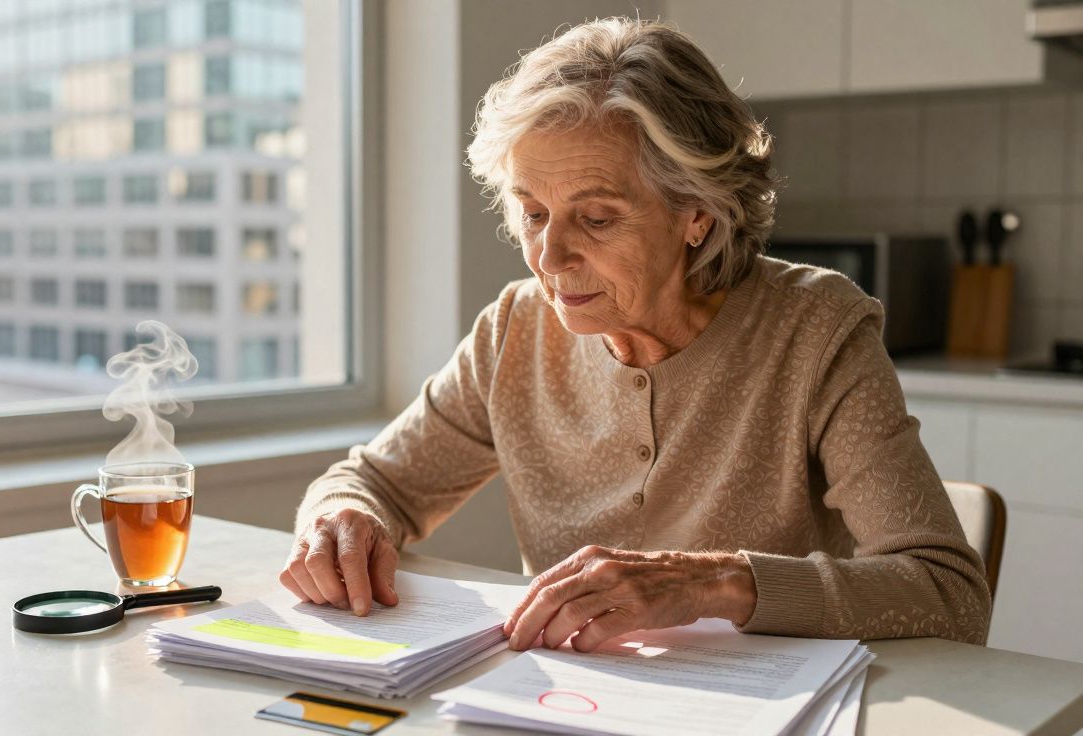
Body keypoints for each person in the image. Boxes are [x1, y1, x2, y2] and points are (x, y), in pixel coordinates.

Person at [280, 17, 991, 650]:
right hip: (568, 708)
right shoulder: (515, 331)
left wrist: (712, 582)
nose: (549, 260)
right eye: (532, 213)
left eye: (595, 218)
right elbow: (374, 481)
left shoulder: (815, 331)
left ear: (698, 215)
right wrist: (342, 519)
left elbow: (946, 590)